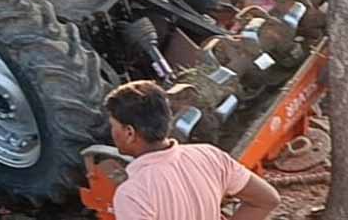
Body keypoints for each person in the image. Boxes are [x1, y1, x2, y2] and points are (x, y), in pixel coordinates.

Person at [106, 80, 281, 220]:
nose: (111, 132)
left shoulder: (133, 193)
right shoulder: (209, 155)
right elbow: (267, 200)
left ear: (130, 133)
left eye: (113, 126)